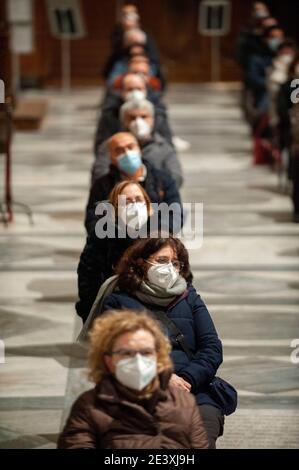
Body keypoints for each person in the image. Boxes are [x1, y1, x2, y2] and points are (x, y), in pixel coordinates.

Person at [98, 236, 224, 448]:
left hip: (193, 390)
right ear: (140, 262)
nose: (170, 268)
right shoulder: (118, 302)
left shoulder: (189, 296)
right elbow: (118, 355)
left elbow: (211, 348)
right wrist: (164, 379)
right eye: (162, 260)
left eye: (175, 263)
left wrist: (187, 379)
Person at [58, 309, 209, 449]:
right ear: (108, 361)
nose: (137, 360)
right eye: (126, 353)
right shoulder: (89, 407)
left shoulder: (184, 403)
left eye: (146, 352)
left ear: (159, 356)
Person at [76, 181, 154, 322]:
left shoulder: (161, 235)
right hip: (113, 314)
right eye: (127, 202)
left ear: (148, 206)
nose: (134, 206)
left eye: (138, 199)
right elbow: (88, 279)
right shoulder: (102, 237)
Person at [86, 132, 183, 233]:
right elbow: (93, 222)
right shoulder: (102, 186)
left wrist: (154, 235)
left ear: (139, 150)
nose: (127, 153)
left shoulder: (163, 180)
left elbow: (175, 215)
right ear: (111, 158)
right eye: (119, 150)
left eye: (130, 147)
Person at [92, 99, 183, 188]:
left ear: (152, 119)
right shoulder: (110, 146)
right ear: (123, 121)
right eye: (132, 118)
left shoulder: (163, 147)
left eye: (143, 117)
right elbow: (99, 175)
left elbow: (176, 177)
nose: (138, 122)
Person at [95, 73, 172, 148]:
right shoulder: (109, 113)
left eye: (139, 89)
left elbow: (168, 144)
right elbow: (101, 147)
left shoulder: (158, 112)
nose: (135, 93)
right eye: (130, 89)